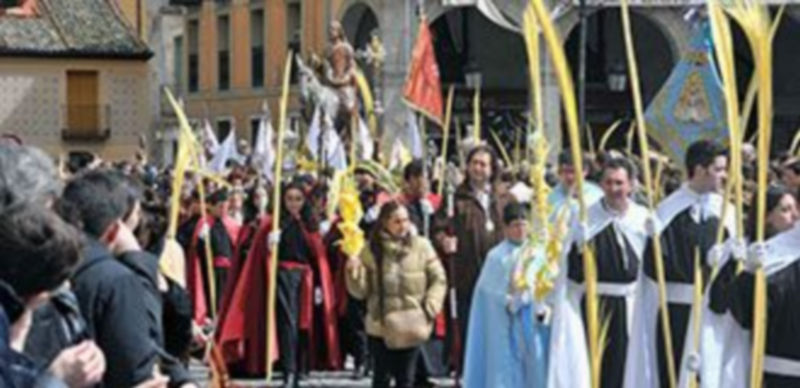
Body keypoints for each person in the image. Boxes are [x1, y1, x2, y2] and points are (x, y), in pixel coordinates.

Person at [59, 169, 194, 387]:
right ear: (116, 228)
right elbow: (140, 354)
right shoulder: (115, 278)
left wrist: (178, 375)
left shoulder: (45, 259)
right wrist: (135, 257)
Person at [626, 139, 735, 387]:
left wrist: (729, 260)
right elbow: (654, 269)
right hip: (678, 312)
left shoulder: (728, 211)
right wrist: (653, 242)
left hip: (715, 313)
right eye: (718, 169)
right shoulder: (668, 210)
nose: (724, 176)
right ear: (699, 170)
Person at [217, 182, 340, 386]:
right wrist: (269, 244)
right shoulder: (273, 224)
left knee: (304, 324)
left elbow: (318, 258)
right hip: (283, 276)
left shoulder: (310, 225)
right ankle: (288, 370)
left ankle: (302, 367)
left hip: (305, 279)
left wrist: (319, 286)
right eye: (289, 199)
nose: (294, 204)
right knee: (287, 323)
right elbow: (258, 254)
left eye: (298, 199)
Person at [699, 184, 799, 387]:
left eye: (793, 209)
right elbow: (735, 310)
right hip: (764, 363)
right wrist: (744, 272)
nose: (793, 216)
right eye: (785, 209)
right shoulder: (766, 254)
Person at [566, 157, 649, 387]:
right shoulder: (585, 218)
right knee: (600, 369)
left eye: (619, 183)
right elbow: (571, 273)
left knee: (630, 368)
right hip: (597, 305)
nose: (614, 189)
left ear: (631, 185)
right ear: (601, 185)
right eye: (609, 183)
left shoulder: (642, 218)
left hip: (634, 304)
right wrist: (577, 248)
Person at [345, 201, 447, 388]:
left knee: (406, 380)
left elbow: (438, 278)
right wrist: (354, 273)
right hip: (381, 326)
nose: (403, 226)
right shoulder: (370, 249)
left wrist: (430, 307)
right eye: (397, 221)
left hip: (412, 323)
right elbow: (360, 292)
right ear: (385, 222)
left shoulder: (422, 246)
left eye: (405, 220)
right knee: (381, 379)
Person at [432, 145, 514, 362]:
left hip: (500, 276)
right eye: (474, 163)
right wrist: (444, 240)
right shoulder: (455, 198)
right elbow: (438, 227)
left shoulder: (504, 198)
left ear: (492, 168)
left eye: (483, 164)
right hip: (468, 275)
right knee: (470, 329)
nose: (478, 168)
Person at [464, 202, 551, 388]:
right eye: (515, 225)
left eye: (523, 224)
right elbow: (487, 293)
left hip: (532, 322)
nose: (520, 230)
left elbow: (548, 283)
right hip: (506, 324)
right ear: (505, 228)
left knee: (535, 364)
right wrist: (507, 300)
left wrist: (539, 301)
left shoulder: (538, 253)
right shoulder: (496, 257)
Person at [547, 151, 604, 217]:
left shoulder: (597, 197)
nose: (569, 177)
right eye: (565, 171)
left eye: (573, 171)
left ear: (585, 171)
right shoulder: (551, 196)